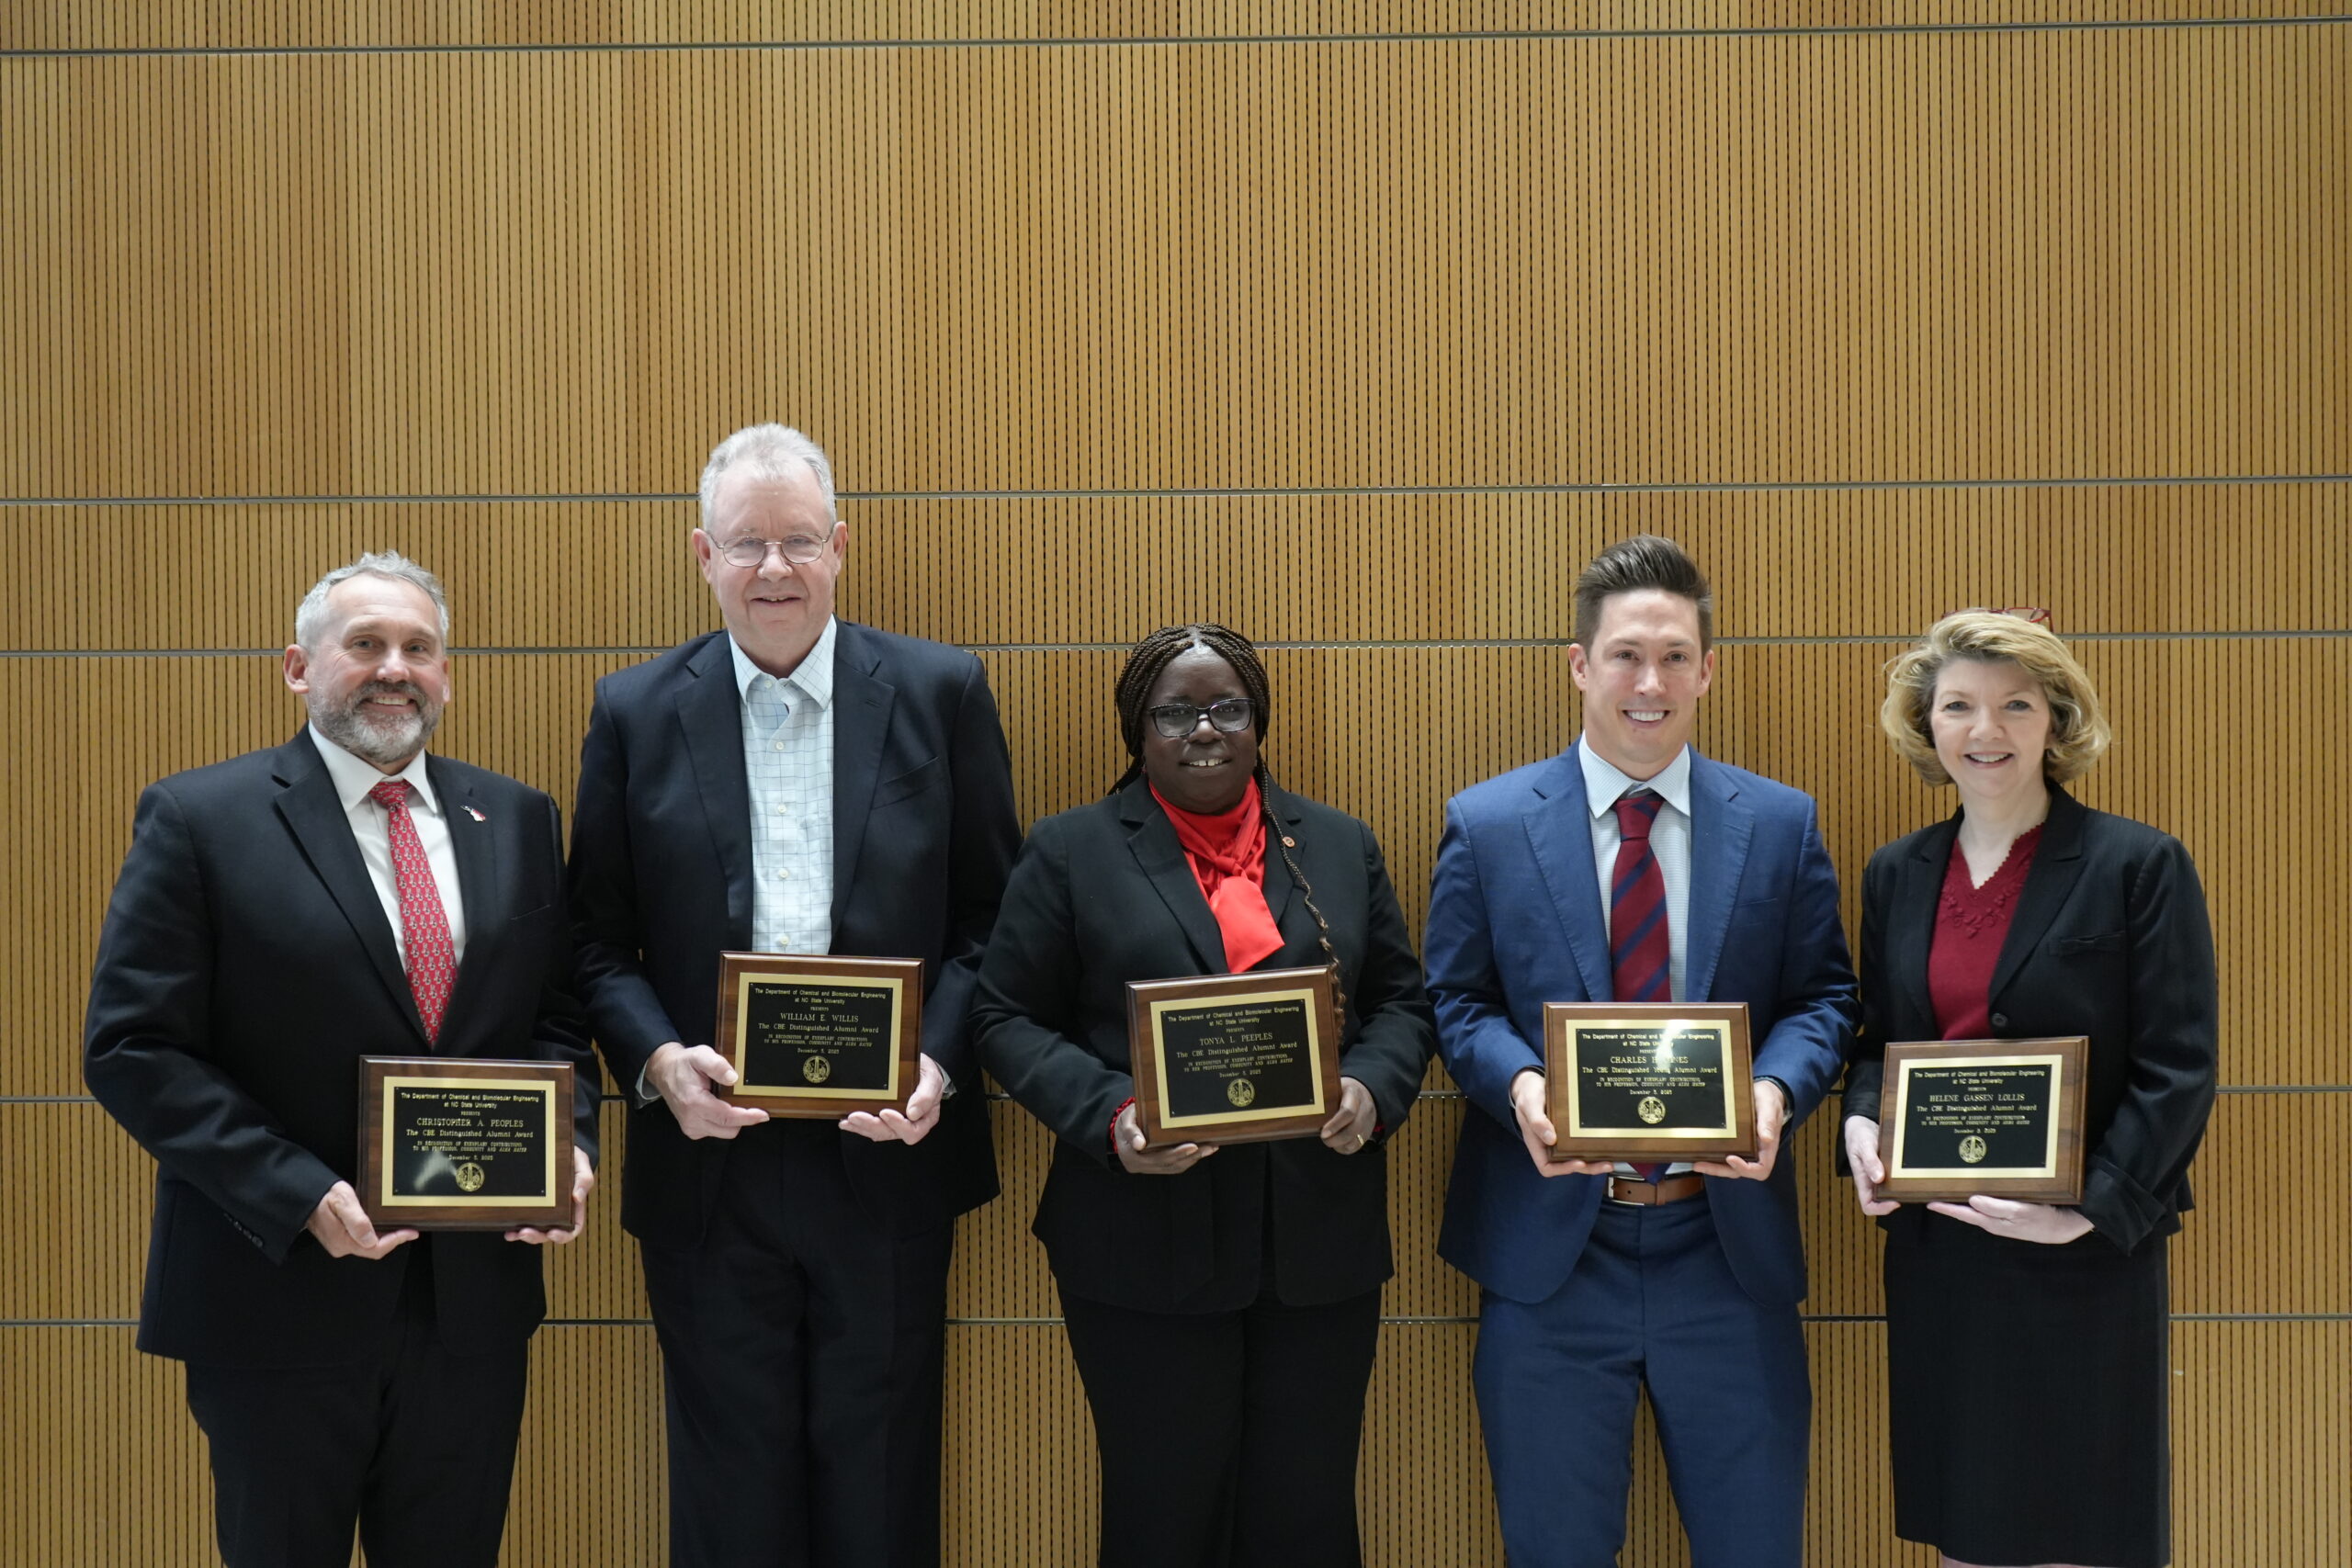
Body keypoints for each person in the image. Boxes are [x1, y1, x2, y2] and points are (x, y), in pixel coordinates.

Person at [82, 552, 599, 1568]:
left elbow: (554, 1021)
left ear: (446, 675)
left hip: (469, 1311)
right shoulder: (202, 820)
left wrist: (565, 1149)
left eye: (418, 648)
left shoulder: (521, 820)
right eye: (364, 645)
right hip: (279, 1298)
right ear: (298, 667)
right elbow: (132, 1046)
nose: (393, 668)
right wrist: (298, 1190)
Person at [567, 423, 1021, 1568]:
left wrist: (940, 1064)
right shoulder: (631, 712)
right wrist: (661, 1065)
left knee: (881, 1486)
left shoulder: (940, 690)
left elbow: (991, 920)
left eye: (799, 542)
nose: (775, 569)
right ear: (701, 556)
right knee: (731, 1497)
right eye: (747, 544)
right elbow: (592, 940)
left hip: (890, 1153)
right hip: (709, 1159)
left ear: (841, 547)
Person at [1421, 534, 1857, 1568]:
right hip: (1552, 1258)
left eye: (1672, 656)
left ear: (1708, 669)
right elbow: (1454, 1000)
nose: (1647, 682)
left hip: (1725, 1248)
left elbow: (1826, 998)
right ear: (1579, 665)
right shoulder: (1484, 826)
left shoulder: (1781, 824)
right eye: (1624, 655)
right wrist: (1520, 1083)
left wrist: (1772, 1092)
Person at [970, 624, 1435, 1568]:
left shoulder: (1339, 846)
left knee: (1305, 1516)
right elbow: (1002, 1016)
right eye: (1173, 713)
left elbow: (1403, 1004)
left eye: (1226, 707)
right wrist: (1111, 1115)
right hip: (1140, 1245)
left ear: (1258, 723)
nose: (1203, 730)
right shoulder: (1070, 852)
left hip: (1317, 1248)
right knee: (1161, 1515)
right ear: (1137, 734)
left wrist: (1370, 1090)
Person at [1838, 609, 2217, 1568]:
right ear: (1927, 726)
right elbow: (1878, 1045)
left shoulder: (2139, 865)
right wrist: (1857, 1127)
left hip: (2083, 1259)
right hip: (1946, 1258)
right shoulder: (1895, 874)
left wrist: (2087, 1210)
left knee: (2082, 1534)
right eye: (1958, 706)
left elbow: (2179, 1063)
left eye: (2015, 705)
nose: (1985, 730)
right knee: (1969, 1529)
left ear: (2057, 721)